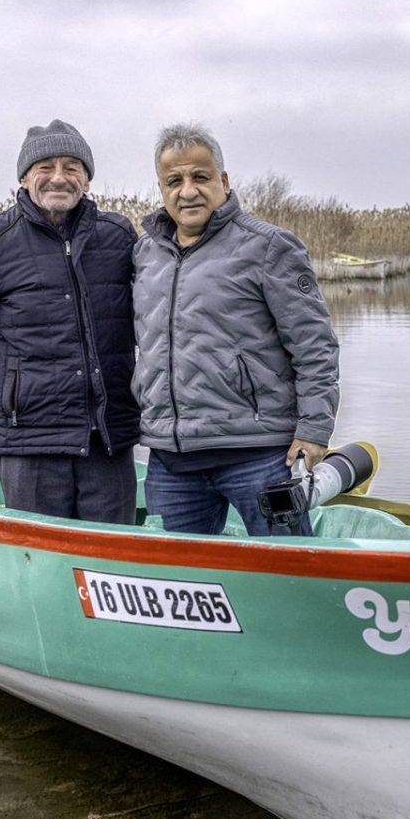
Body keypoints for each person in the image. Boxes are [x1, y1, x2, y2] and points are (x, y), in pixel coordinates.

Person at [133, 123, 339, 536]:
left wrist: (315, 430)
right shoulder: (144, 254)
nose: (187, 190)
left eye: (200, 177)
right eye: (174, 181)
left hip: (258, 456)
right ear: (162, 189)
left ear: (223, 181)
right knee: (180, 586)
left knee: (289, 576)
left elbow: (314, 346)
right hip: (172, 464)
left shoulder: (268, 248)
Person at [0, 119, 140, 524]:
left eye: (71, 167)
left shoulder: (118, 236)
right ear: (26, 176)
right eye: (45, 167)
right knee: (39, 560)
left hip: (107, 439)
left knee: (110, 561)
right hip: (29, 443)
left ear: (86, 178)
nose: (58, 178)